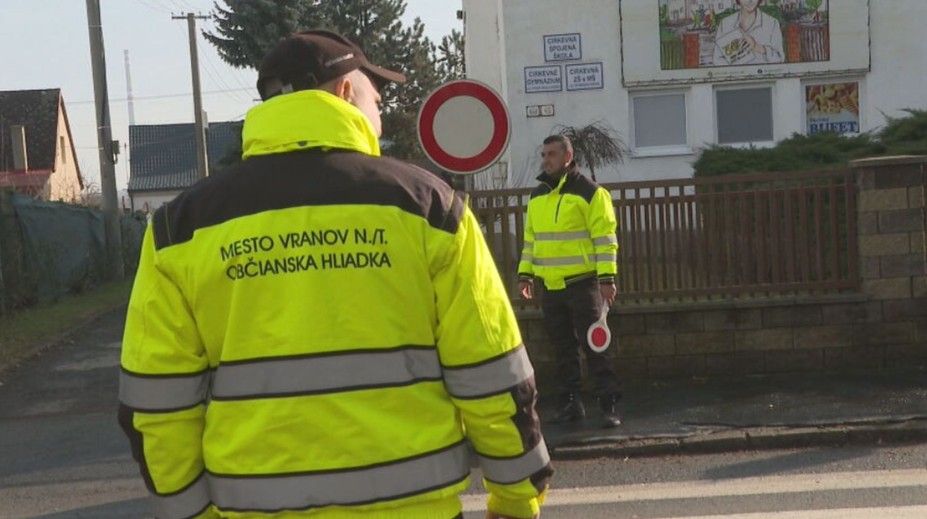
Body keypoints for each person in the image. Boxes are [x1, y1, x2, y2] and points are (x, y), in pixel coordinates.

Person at [118, 29, 552, 519]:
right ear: (346, 91)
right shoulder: (429, 210)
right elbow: (491, 371)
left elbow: (156, 406)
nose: (381, 112)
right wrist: (516, 496)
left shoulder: (181, 228)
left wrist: (191, 513)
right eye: (376, 96)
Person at [517, 135, 621, 429]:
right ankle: (571, 404)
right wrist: (525, 275)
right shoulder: (537, 196)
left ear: (567, 156)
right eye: (543, 154)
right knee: (562, 349)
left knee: (595, 346)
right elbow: (531, 241)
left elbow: (605, 240)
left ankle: (608, 405)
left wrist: (606, 279)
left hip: (583, 284)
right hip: (552, 286)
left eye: (551, 154)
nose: (545, 160)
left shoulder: (591, 193)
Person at [712, 0, 784, 66]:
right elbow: (717, 59)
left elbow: (780, 59)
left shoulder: (772, 23)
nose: (750, 1)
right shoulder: (725, 24)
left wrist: (757, 46)